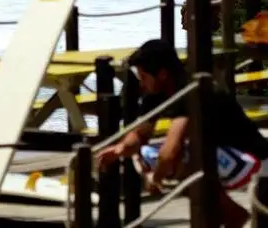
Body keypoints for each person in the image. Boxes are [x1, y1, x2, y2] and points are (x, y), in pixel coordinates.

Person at [96, 38, 268, 228]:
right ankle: (221, 213)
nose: (142, 84)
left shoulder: (191, 92)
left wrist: (157, 177)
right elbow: (139, 135)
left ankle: (230, 214)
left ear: (162, 74)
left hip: (253, 160)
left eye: (143, 76)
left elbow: (169, 152)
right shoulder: (155, 95)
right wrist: (119, 149)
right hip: (221, 156)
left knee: (178, 158)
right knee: (147, 155)